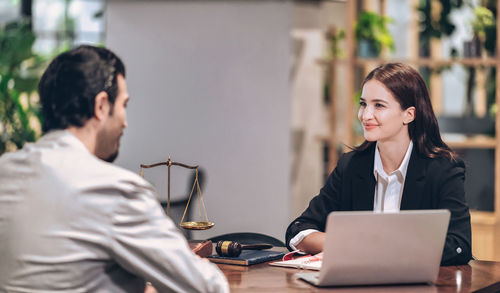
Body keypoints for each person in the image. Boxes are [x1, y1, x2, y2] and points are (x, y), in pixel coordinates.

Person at [0, 45, 229, 292]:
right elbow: (208, 288)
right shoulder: (114, 189)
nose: (125, 121)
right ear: (101, 106)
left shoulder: (5, 171)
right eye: (123, 105)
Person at [285, 63, 472, 266]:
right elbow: (298, 230)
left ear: (409, 114)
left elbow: (458, 245)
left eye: (379, 106)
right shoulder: (351, 166)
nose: (365, 115)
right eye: (363, 104)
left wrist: (374, 250)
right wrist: (350, 245)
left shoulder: (443, 169)